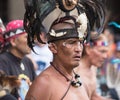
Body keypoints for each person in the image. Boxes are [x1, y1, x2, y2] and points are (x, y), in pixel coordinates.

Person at [25, 15, 90, 100]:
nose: (78, 49)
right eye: (71, 42)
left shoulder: (81, 83)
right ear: (53, 48)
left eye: (80, 43)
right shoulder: (44, 84)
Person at [0, 20, 36, 100]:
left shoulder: (28, 62)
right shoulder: (2, 61)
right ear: (13, 41)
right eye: (27, 37)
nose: (31, 41)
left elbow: (35, 89)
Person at [75, 33, 111, 100]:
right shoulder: (75, 72)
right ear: (88, 49)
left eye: (106, 52)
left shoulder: (93, 67)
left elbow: (93, 96)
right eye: (102, 51)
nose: (105, 56)